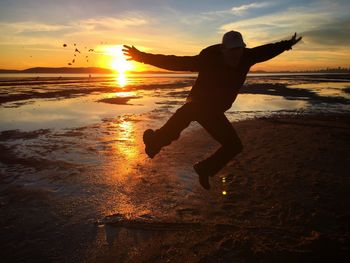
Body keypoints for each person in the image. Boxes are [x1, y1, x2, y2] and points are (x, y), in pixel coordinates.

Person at [123, 31, 302, 190]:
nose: (236, 56)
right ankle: (155, 142)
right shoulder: (208, 59)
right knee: (185, 116)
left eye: (239, 50)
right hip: (198, 103)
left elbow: (267, 50)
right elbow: (176, 62)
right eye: (232, 51)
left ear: (243, 49)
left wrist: (286, 45)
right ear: (224, 50)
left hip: (215, 110)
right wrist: (142, 57)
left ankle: (203, 168)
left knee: (234, 145)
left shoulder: (247, 57)